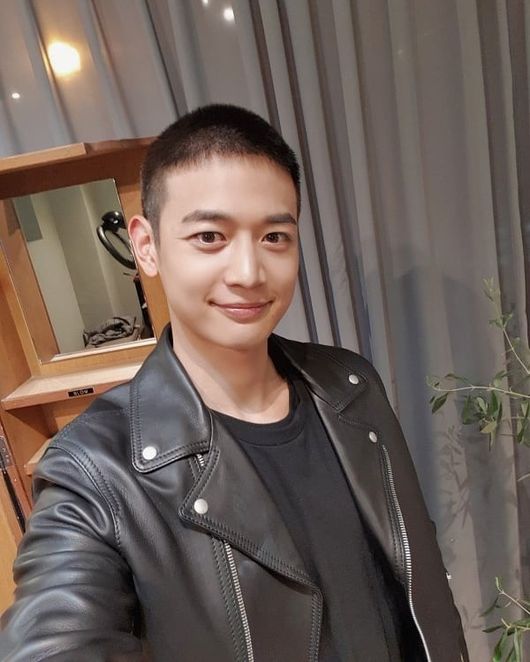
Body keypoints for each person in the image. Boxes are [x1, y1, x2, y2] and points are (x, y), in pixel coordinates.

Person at [0, 104, 467, 661]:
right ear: (146, 245)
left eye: (275, 236)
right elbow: (54, 636)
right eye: (209, 236)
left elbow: (417, 572)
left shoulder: (349, 384)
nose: (248, 272)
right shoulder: (95, 467)